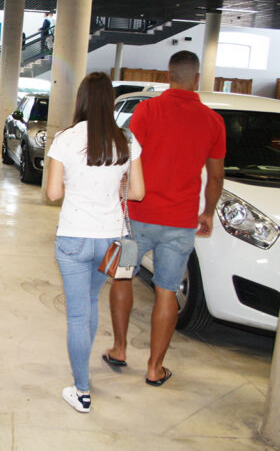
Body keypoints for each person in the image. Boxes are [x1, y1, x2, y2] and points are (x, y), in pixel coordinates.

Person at [106, 51, 225, 388]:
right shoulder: (213, 121)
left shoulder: (146, 110)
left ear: (167, 76)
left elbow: (127, 158)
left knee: (123, 277)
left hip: (137, 218)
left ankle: (118, 349)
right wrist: (207, 212)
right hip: (180, 223)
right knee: (167, 291)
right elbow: (215, 178)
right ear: (197, 78)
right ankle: (155, 368)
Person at [46, 72, 145, 413]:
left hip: (73, 236)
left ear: (82, 100)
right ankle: (83, 378)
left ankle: (82, 390)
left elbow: (53, 193)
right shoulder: (127, 141)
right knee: (90, 304)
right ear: (111, 101)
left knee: (77, 315)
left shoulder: (65, 139)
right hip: (109, 239)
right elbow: (137, 192)